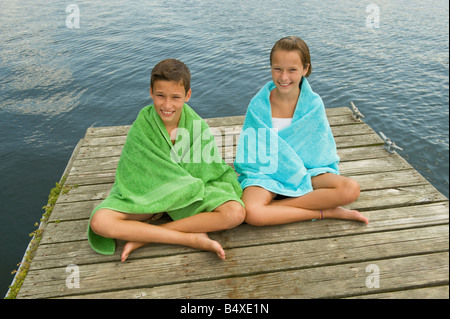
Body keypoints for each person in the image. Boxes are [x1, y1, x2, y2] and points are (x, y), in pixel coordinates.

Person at [88, 59, 245, 262]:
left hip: (186, 197)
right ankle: (190, 239)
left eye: (175, 97)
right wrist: (164, 190)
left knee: (236, 213)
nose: (167, 105)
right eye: (160, 95)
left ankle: (145, 237)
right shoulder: (142, 126)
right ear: (151, 92)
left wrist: (182, 190)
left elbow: (209, 172)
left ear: (187, 96)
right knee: (100, 221)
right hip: (150, 196)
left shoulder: (197, 126)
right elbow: (132, 172)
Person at [234, 36, 369, 226]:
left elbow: (320, 151)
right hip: (267, 174)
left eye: (292, 70)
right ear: (271, 67)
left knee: (351, 189)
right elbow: (252, 154)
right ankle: (326, 212)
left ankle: (277, 208)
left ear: (305, 69)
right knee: (252, 213)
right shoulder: (258, 105)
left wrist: (299, 173)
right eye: (277, 69)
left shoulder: (313, 105)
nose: (284, 77)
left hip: (307, 171)